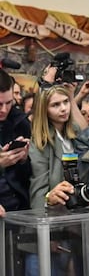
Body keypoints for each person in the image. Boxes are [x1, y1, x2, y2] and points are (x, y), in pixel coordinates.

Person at [29, 85, 82, 208]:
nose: (64, 108)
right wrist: (48, 198)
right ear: (44, 110)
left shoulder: (76, 130)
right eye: (55, 105)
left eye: (66, 102)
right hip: (55, 211)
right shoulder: (40, 142)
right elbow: (38, 193)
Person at [0, 70, 31, 212]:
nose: (4, 109)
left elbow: (29, 176)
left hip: (18, 206)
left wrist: (24, 159)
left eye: (8, 103)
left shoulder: (20, 122)